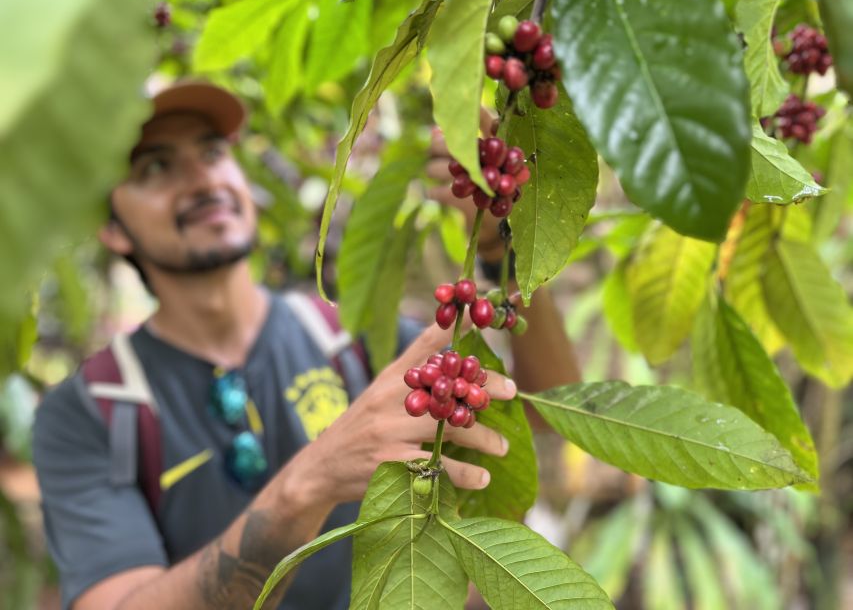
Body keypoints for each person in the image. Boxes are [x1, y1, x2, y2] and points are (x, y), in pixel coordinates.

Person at [32, 81, 579, 610]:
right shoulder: (89, 412)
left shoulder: (354, 339)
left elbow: (548, 405)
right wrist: (310, 481)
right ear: (113, 229)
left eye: (212, 152)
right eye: (156, 167)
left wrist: (500, 244)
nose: (201, 179)